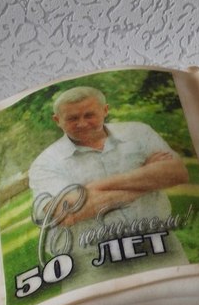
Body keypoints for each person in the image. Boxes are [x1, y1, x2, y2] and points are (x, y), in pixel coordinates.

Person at [28, 85, 190, 287]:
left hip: (159, 246)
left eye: (89, 115)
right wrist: (147, 178)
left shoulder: (138, 132)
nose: (82, 123)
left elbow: (177, 172)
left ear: (105, 110)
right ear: (57, 120)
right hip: (91, 263)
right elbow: (66, 212)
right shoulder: (46, 163)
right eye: (72, 118)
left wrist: (92, 189)